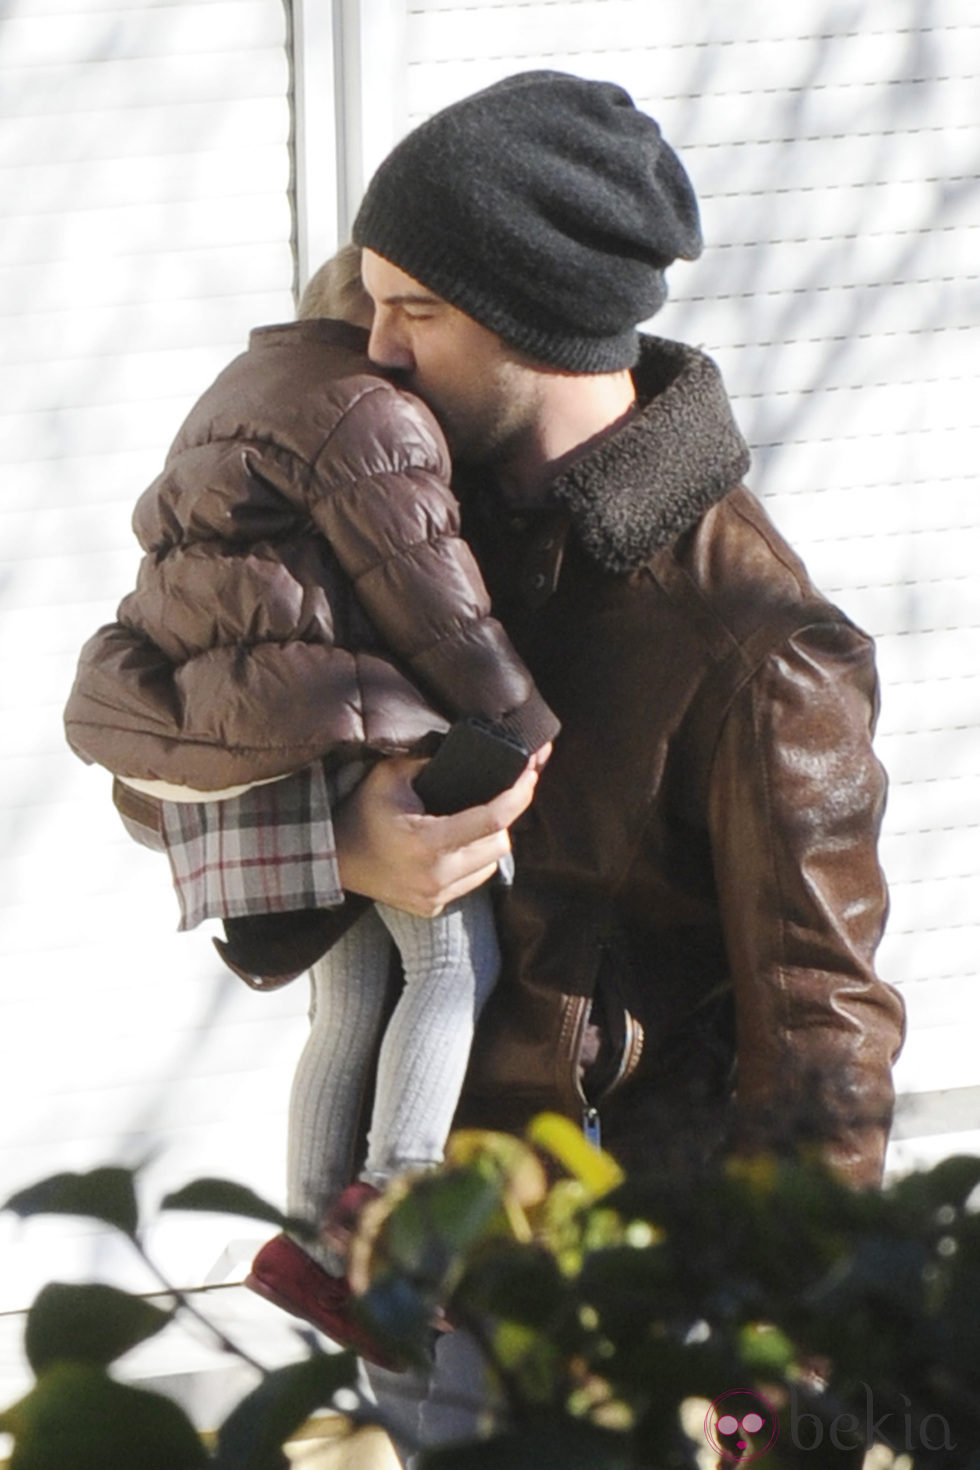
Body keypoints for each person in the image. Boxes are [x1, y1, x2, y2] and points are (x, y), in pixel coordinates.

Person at [299, 69, 903, 1454]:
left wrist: (777, 1337)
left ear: (544, 325)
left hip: (602, 1282)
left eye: (419, 310)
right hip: (395, 1231)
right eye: (375, 296)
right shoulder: (395, 510)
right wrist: (339, 847)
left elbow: (822, 1015)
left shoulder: (755, 637)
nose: (373, 346)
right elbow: (174, 749)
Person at [62, 243, 559, 1364]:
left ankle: (304, 1239)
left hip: (264, 739)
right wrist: (521, 727)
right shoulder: (368, 415)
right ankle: (389, 1221)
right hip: (340, 712)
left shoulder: (236, 396)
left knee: (348, 1001)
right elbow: (432, 599)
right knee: (448, 966)